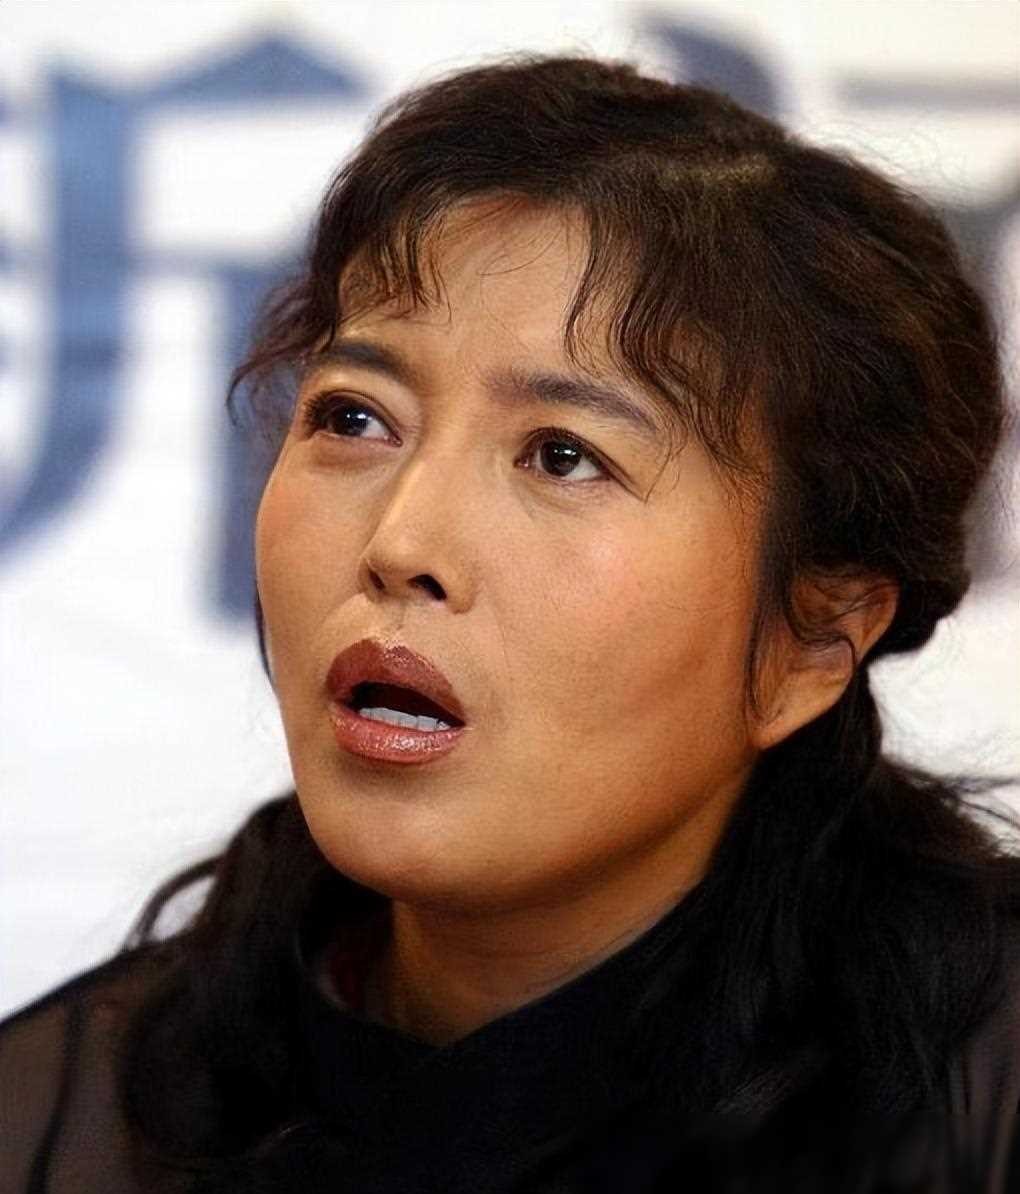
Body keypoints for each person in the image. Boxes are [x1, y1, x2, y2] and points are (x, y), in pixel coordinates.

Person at [1, 53, 1018, 1194]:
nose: (402, 543)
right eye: (356, 417)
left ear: (813, 641)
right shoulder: (75, 1117)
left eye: (564, 456)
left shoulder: (978, 1103)